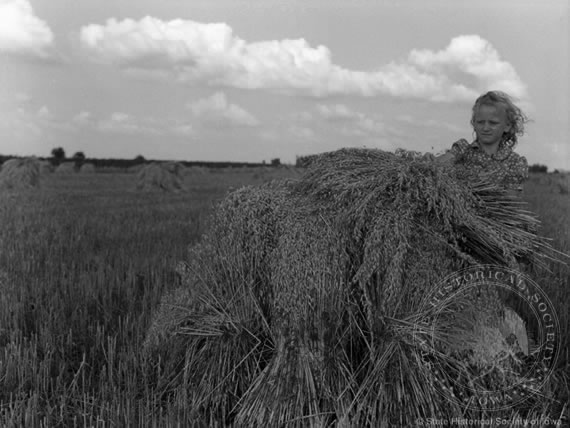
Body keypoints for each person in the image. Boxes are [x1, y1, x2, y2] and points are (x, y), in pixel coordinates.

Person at [435, 90, 530, 194]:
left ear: (507, 126)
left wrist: (482, 187)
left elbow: (512, 198)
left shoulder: (514, 162)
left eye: (493, 123)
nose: (485, 128)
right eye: (480, 122)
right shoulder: (462, 150)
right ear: (474, 124)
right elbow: (436, 165)